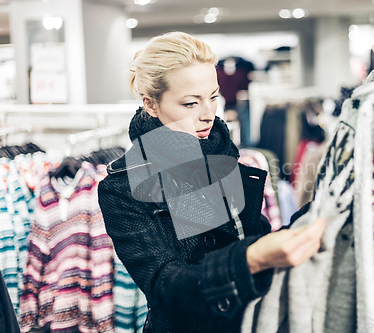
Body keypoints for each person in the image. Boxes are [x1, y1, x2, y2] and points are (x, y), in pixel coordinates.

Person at [97, 31, 326, 333]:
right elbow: (167, 286)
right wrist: (250, 259)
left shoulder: (221, 152)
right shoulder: (124, 185)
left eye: (214, 96)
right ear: (150, 104)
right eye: (191, 104)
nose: (208, 114)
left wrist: (319, 210)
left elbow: (249, 236)